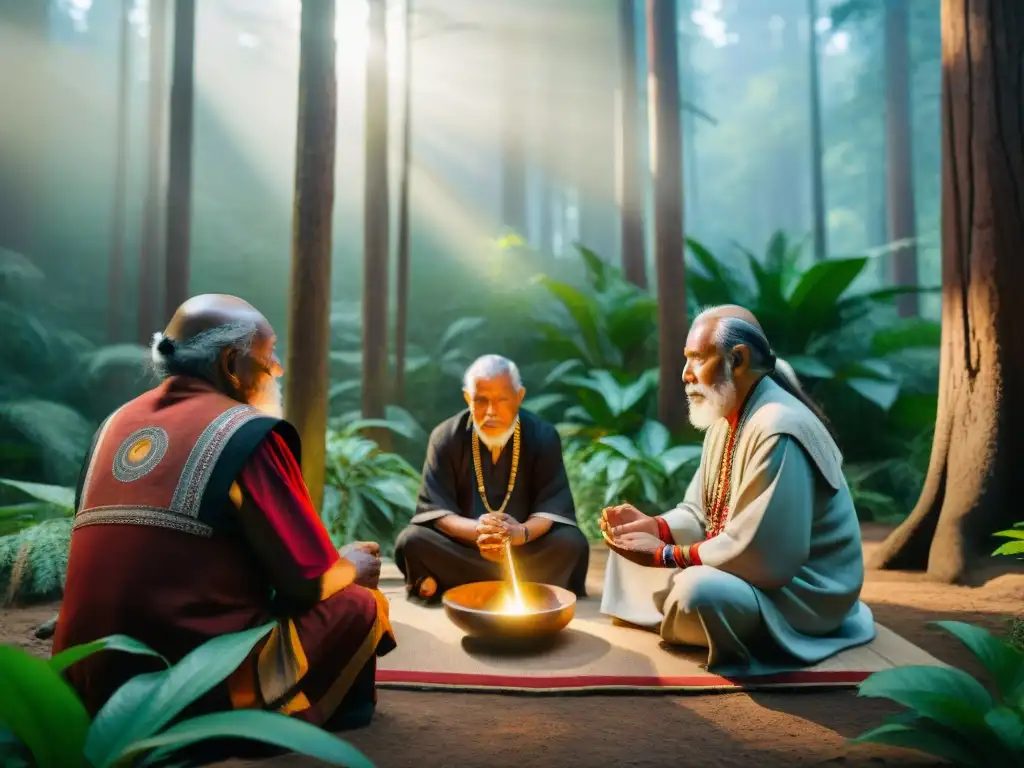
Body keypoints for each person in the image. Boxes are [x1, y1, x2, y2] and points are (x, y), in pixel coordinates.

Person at [51, 294, 396, 730]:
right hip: (183, 692)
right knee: (359, 604)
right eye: (269, 354)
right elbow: (307, 583)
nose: (279, 369)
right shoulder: (245, 432)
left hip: (82, 681)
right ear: (232, 364)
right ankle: (267, 723)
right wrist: (351, 565)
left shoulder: (111, 424)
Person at [600, 305, 875, 674]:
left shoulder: (778, 427)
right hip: (742, 567)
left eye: (696, 358)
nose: (685, 374)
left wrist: (667, 555)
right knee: (628, 552)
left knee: (698, 594)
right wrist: (655, 528)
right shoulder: (726, 417)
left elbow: (765, 556)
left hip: (799, 594)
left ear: (738, 360)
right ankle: (678, 610)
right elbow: (700, 513)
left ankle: (690, 614)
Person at [393, 354, 589, 601]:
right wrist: (480, 532)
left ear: (519, 397)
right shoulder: (446, 436)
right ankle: (531, 586)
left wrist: (520, 533)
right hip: (467, 545)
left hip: (524, 548)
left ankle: (450, 584)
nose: (491, 412)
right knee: (412, 540)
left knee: (571, 543)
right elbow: (438, 512)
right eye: (481, 401)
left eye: (502, 400)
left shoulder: (543, 435)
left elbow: (551, 507)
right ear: (468, 398)